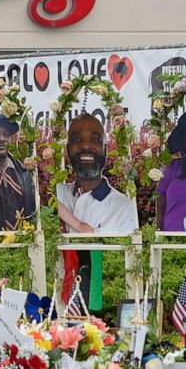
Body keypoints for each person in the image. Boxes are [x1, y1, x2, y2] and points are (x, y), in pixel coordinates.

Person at [55, 113, 138, 311]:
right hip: (55, 307)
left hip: (100, 309)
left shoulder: (123, 206)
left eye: (95, 140)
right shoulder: (56, 193)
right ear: (67, 151)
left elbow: (125, 268)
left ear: (105, 150)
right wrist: (76, 225)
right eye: (76, 140)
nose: (86, 146)